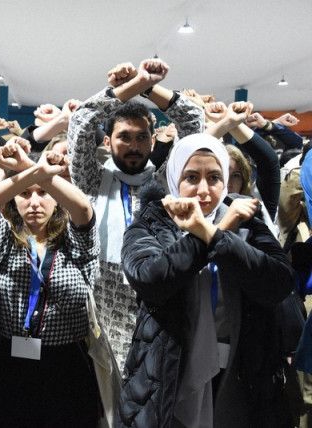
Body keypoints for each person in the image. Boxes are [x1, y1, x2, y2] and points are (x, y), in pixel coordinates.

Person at [119, 133, 293, 427]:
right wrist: (210, 233)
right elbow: (151, 279)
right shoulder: (152, 220)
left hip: (241, 373)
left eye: (214, 177)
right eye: (191, 177)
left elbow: (278, 282)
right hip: (167, 376)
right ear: (174, 179)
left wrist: (213, 234)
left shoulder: (247, 219)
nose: (203, 189)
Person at [67, 58, 204, 368]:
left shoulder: (167, 180)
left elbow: (193, 120)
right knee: (107, 402)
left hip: (161, 297)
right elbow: (81, 121)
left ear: (152, 140)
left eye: (142, 137)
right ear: (107, 142)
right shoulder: (92, 179)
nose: (134, 146)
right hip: (104, 301)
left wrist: (150, 87)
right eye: (124, 137)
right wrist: (126, 88)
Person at [0, 143, 103, 426]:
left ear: (56, 198)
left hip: (67, 363)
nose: (34, 202)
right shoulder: (4, 240)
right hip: (11, 361)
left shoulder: (75, 240)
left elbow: (82, 207)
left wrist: (38, 173)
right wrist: (29, 171)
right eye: (24, 194)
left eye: (43, 193)